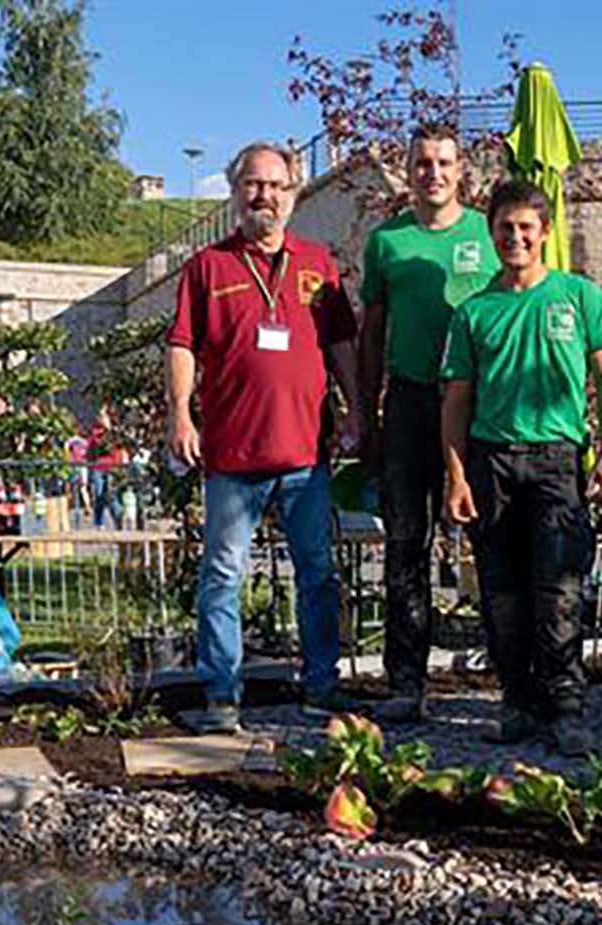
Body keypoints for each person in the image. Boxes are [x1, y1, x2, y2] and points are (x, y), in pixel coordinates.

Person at [167, 140, 364, 732]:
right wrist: (181, 412)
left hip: (306, 453)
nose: (265, 196)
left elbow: (342, 346)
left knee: (318, 574)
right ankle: (222, 698)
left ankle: (321, 688)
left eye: (277, 186)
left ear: (294, 195)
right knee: (223, 575)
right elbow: (181, 345)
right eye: (253, 185)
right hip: (232, 454)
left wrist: (358, 412)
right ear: (235, 192)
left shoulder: (318, 264)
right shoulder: (208, 267)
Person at [441, 179, 602, 756]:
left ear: (545, 232)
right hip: (491, 460)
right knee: (501, 592)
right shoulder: (473, 312)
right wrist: (456, 475)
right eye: (504, 228)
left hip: (556, 460)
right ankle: (517, 700)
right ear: (491, 233)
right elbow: (456, 401)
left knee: (560, 587)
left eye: (526, 227)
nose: (515, 237)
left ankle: (565, 706)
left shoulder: (578, 297)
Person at [359, 123, 500, 723]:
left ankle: (511, 678)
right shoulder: (387, 241)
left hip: (484, 403)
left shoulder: (489, 233)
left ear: (461, 168)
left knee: (494, 544)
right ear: (408, 171)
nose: (433, 173)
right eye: (422, 163)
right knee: (405, 546)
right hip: (412, 402)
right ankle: (406, 682)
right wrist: (366, 414)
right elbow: (371, 334)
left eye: (444, 162)